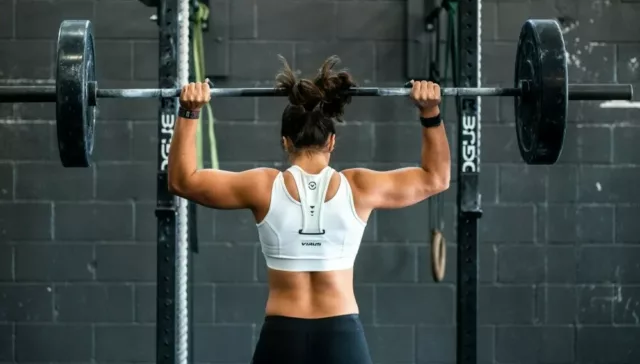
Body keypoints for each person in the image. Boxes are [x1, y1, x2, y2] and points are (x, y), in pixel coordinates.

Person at [167, 55, 451, 364]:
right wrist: (430, 111)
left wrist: (189, 111)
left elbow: (183, 181)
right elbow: (436, 178)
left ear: (285, 142)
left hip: (282, 337)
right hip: (342, 336)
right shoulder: (359, 187)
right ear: (331, 141)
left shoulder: (262, 187)